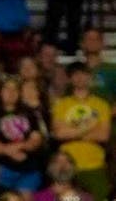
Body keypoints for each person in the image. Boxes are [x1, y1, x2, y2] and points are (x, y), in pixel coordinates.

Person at [51, 61, 111, 201]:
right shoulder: (61, 104)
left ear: (89, 77)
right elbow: (59, 134)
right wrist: (90, 128)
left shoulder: (101, 105)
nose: (79, 78)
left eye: (83, 74)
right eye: (75, 75)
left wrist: (72, 132)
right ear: (70, 79)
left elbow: (103, 135)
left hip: (94, 164)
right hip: (67, 166)